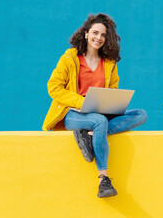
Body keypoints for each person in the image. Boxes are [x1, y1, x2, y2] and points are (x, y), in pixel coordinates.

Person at [42, 13, 148, 198]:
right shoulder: (70, 58)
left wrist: (111, 104)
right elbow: (54, 88)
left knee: (140, 114)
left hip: (99, 111)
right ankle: (103, 179)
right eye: (95, 33)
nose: (98, 38)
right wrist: (82, 102)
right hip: (72, 112)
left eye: (103, 35)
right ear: (86, 33)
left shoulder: (109, 63)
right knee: (99, 121)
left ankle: (89, 135)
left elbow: (113, 89)